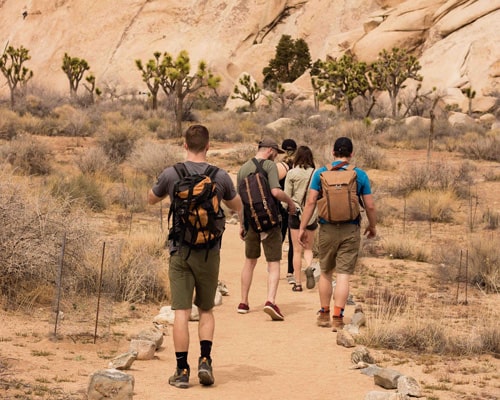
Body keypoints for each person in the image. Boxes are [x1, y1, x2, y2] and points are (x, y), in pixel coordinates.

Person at [148, 125, 242, 389]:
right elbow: (236, 205)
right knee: (206, 309)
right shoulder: (220, 176)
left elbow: (151, 199)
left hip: (180, 250)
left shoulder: (171, 173)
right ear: (208, 146)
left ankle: (181, 370)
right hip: (209, 252)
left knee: (181, 312)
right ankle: (205, 361)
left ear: (185, 145)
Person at [298, 137, 376, 331]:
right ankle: (338, 317)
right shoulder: (359, 175)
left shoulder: (320, 173)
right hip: (350, 228)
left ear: (333, 152)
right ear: (351, 154)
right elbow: (370, 205)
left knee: (325, 272)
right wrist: (372, 225)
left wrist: (302, 227)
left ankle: (324, 314)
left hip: (327, 228)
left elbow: (311, 202)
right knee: (343, 275)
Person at [237, 137, 296, 321]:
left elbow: (240, 202)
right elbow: (275, 192)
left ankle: (243, 302)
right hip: (270, 221)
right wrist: (290, 203)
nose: (276, 156)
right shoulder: (270, 166)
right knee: (273, 262)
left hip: (250, 222)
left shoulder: (243, 168)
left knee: (250, 261)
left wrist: (241, 224)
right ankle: (270, 301)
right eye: (276, 152)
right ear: (270, 150)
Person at [283, 145, 318, 292]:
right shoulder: (316, 173)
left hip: (295, 214)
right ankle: (309, 267)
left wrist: (287, 208)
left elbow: (286, 196)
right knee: (308, 248)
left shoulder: (292, 173)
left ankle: (297, 283)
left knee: (297, 250)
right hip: (311, 215)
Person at [276, 139, 297, 285]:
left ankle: (274, 267)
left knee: (279, 237)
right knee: (293, 241)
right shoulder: (297, 168)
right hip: (294, 206)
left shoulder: (278, 167)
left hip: (280, 206)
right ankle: (290, 271)